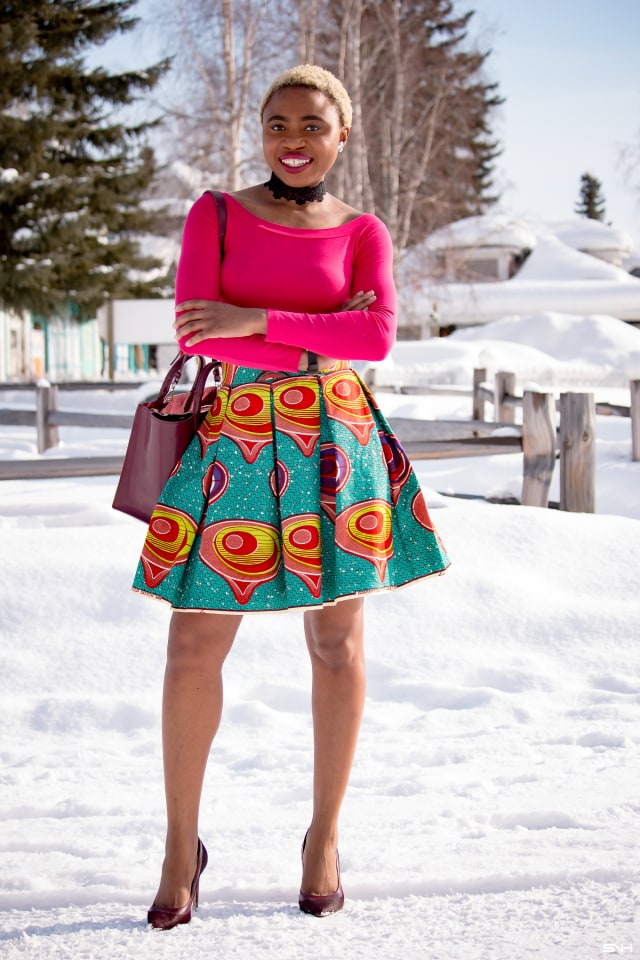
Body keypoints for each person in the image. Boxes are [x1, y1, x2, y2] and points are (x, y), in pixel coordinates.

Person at [134, 64, 450, 929]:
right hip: (234, 442)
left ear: (342, 135)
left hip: (336, 447)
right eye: (277, 125)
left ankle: (323, 839)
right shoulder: (219, 214)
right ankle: (179, 845)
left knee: (338, 645)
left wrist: (259, 321)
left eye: (312, 124)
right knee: (193, 649)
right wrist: (311, 337)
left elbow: (377, 336)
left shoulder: (364, 231)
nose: (293, 140)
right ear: (262, 134)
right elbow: (200, 323)